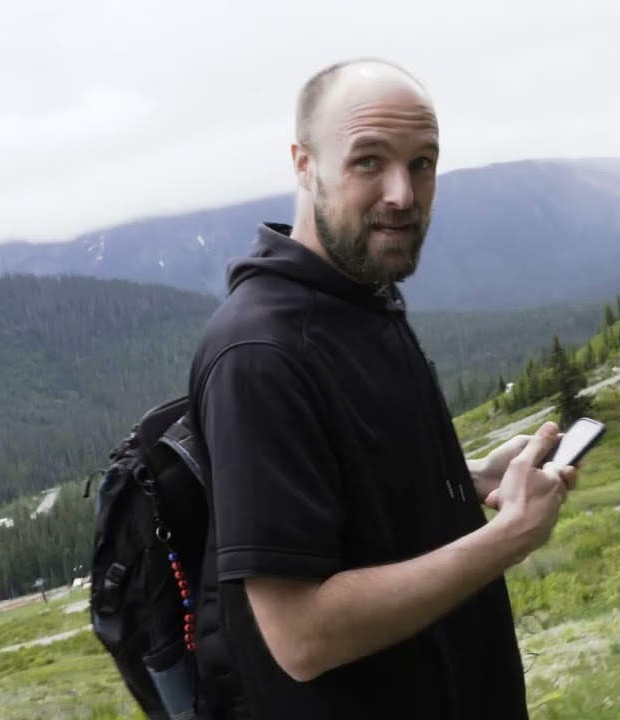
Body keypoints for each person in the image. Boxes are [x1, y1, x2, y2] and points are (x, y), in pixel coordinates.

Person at [185, 57, 579, 720]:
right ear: (304, 164)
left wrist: (469, 479)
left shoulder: (363, 302)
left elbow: (359, 500)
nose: (403, 192)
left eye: (423, 162)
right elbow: (300, 635)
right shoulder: (260, 354)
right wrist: (508, 536)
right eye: (369, 161)